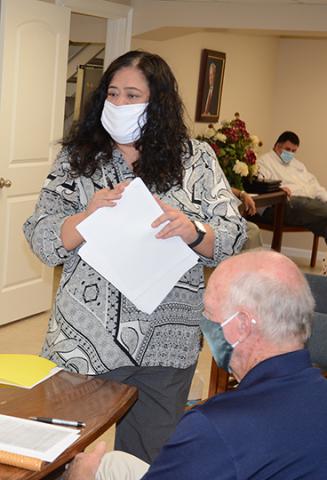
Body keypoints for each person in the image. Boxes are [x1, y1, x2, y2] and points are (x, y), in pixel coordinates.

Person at [23, 50, 247, 463]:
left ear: (157, 102)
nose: (120, 105)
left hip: (167, 341)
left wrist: (193, 230)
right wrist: (85, 217)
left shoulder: (196, 160)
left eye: (132, 95)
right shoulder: (78, 159)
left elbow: (234, 237)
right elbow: (40, 236)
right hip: (83, 340)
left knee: (147, 460)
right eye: (112, 94)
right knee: (52, 452)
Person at [64, 250, 327, 480]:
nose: (204, 326)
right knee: (114, 464)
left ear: (242, 325)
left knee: (87, 469)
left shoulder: (214, 427)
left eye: (210, 315)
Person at [257, 131, 327, 242]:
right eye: (288, 149)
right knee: (303, 204)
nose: (290, 154)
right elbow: (259, 184)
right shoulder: (263, 162)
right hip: (280, 205)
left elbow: (314, 185)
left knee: (324, 223)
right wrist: (277, 189)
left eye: (294, 151)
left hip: (307, 204)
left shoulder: (298, 165)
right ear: (277, 146)